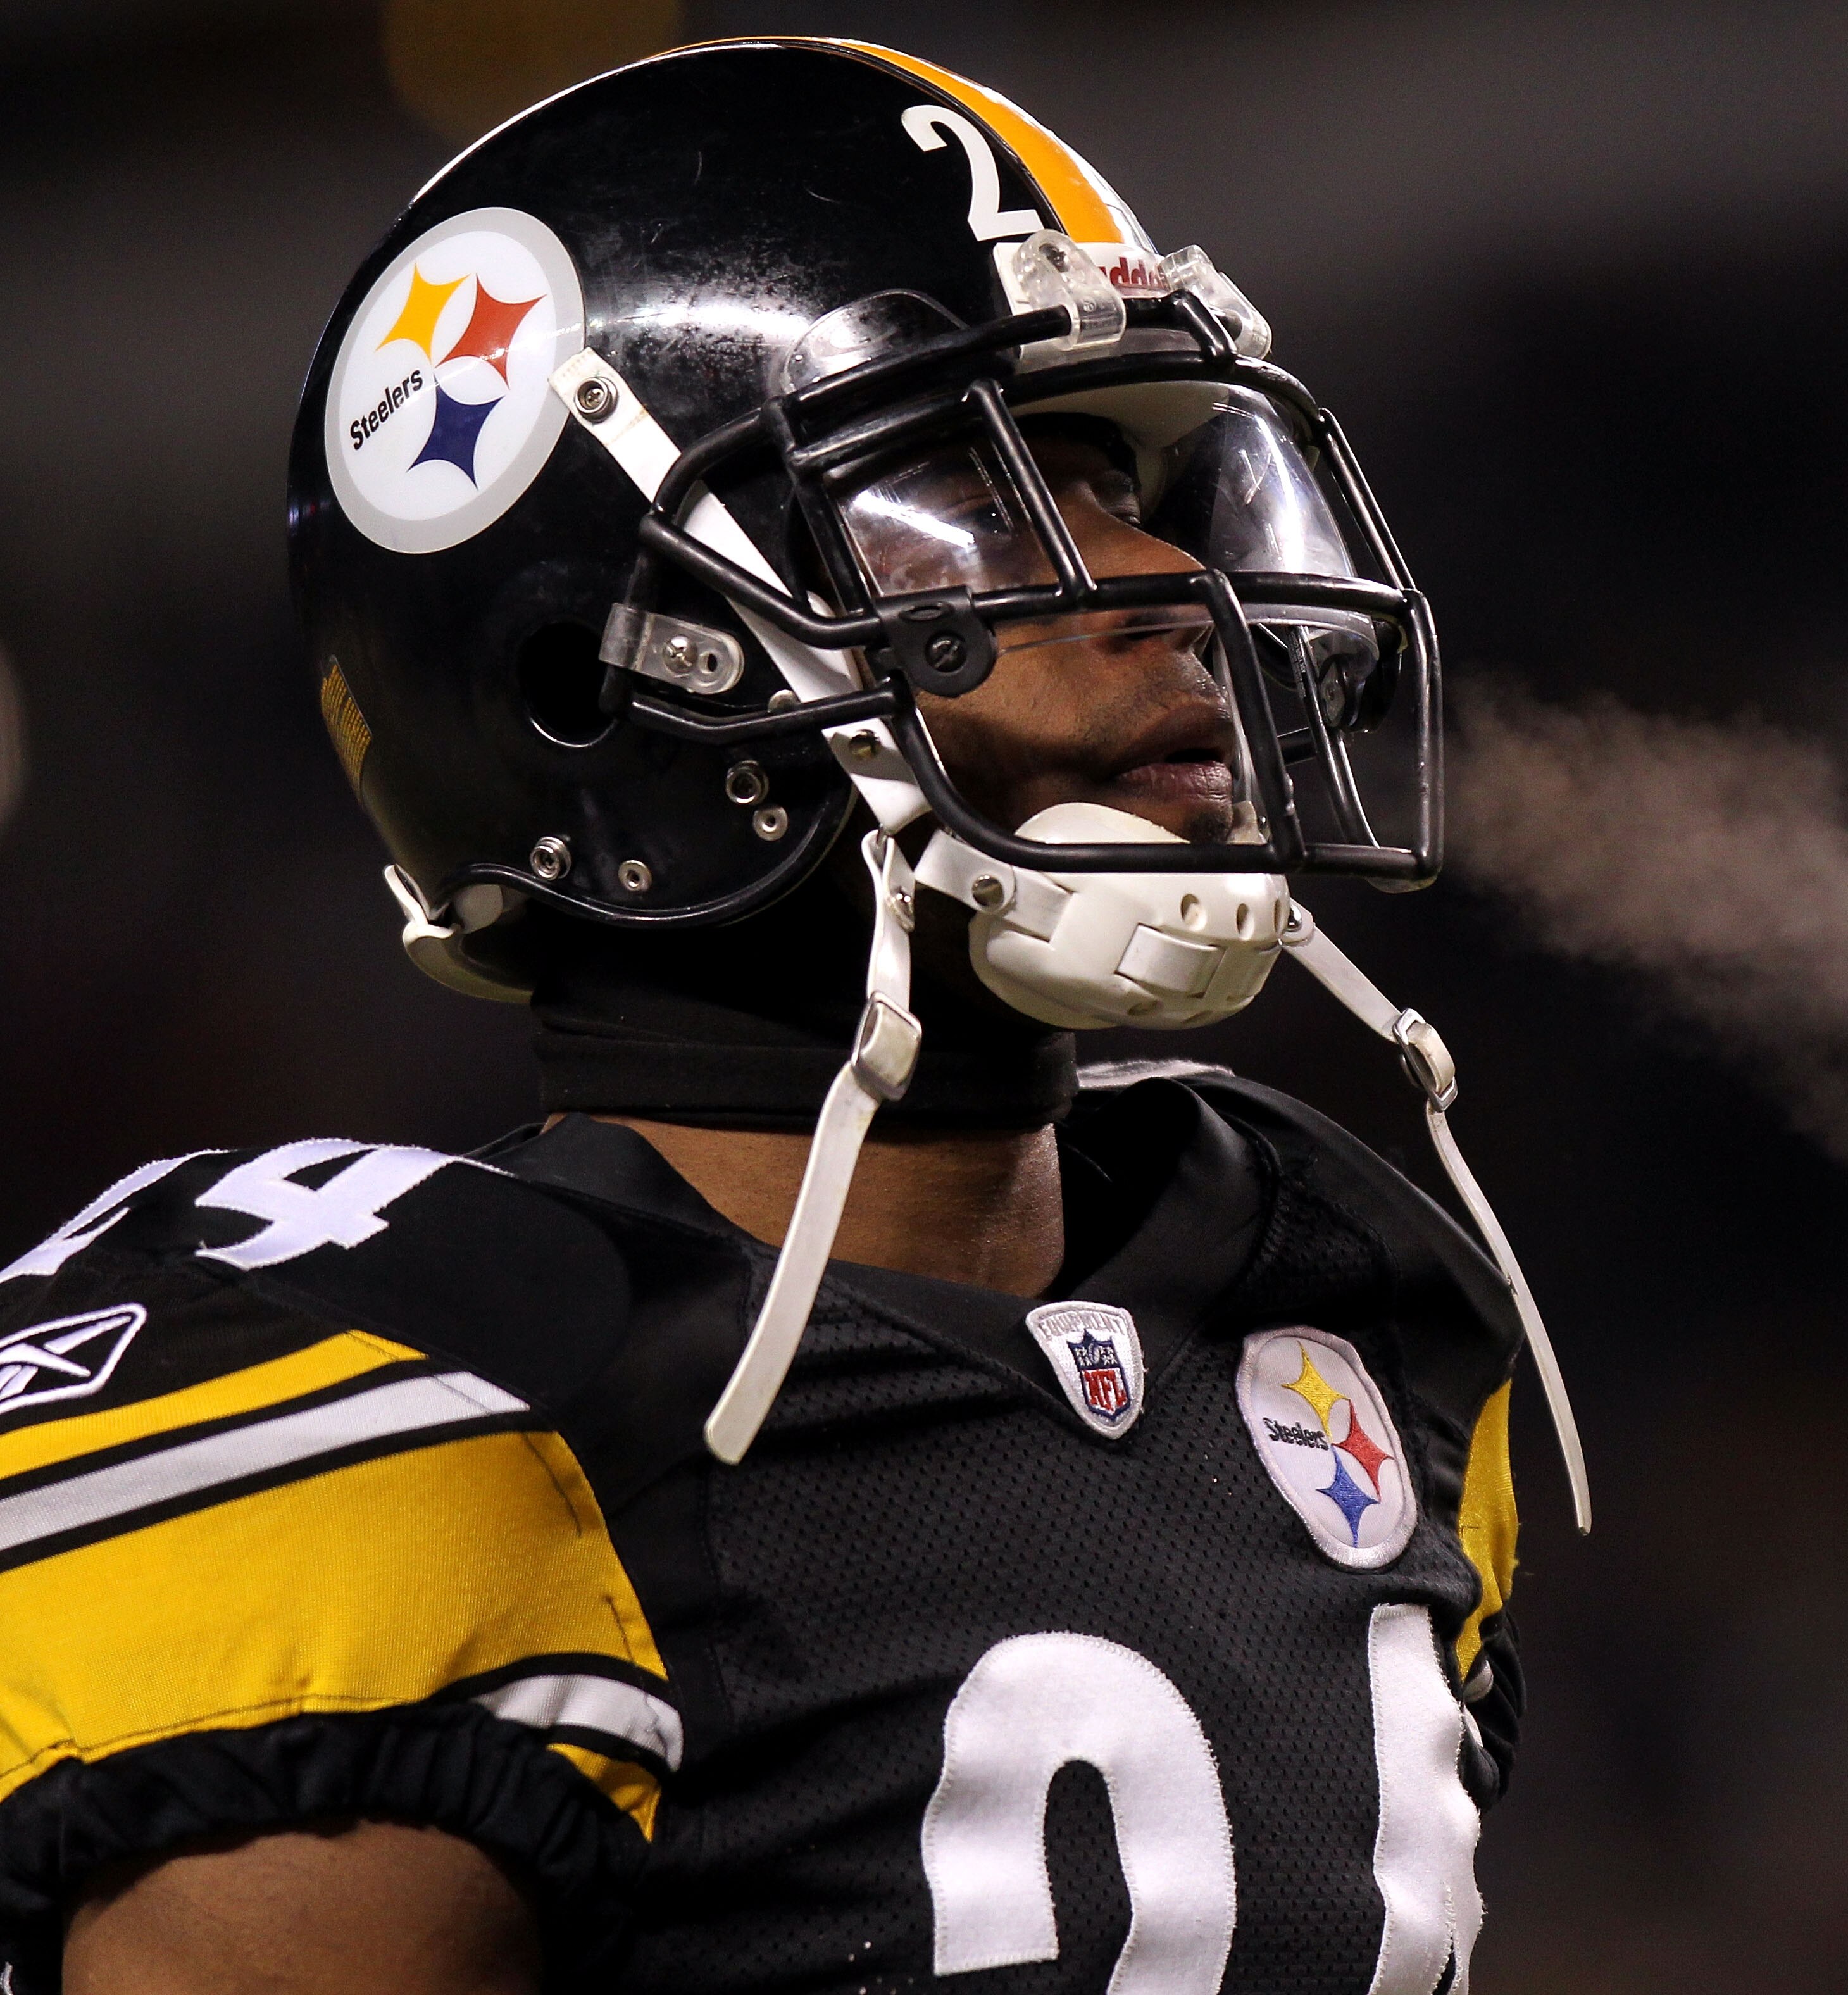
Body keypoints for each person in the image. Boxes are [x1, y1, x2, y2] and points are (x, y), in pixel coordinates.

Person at [0, 37, 1583, 1995]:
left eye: (1130, 487)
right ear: (599, 671)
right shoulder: (423, 1401)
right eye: (992, 499)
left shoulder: (1351, 1296)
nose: (1169, 580)